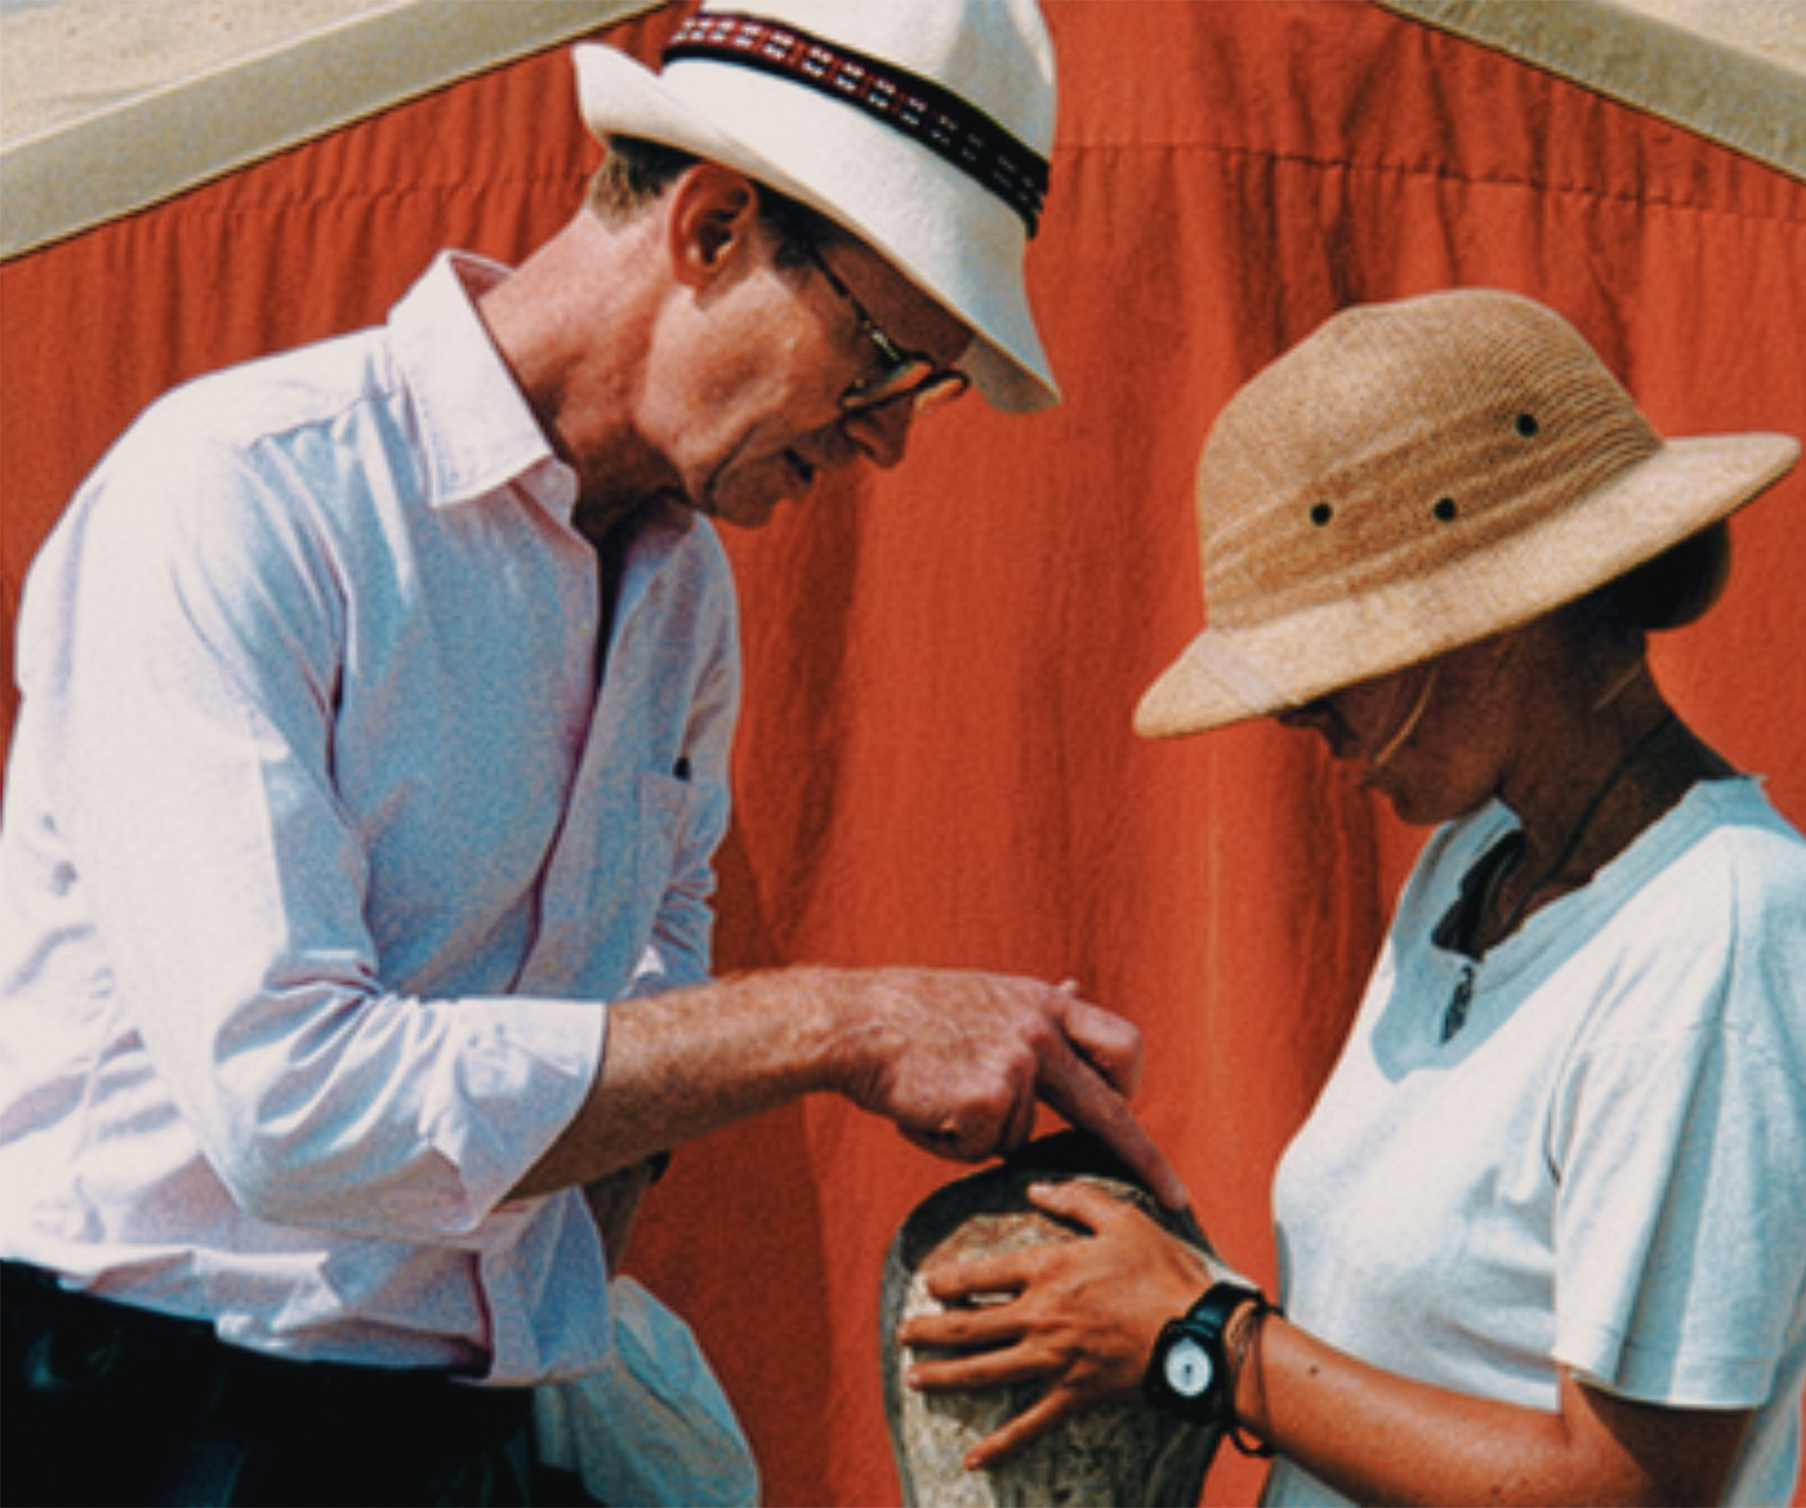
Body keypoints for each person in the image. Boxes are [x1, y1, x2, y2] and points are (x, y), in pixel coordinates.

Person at [0, 2, 1184, 1502]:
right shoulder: (244, 496)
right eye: (885, 356)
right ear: (712, 226)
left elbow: (643, 1024)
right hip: (136, 1420)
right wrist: (846, 1022)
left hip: (449, 1441)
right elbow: (289, 1105)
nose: (885, 438)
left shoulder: (681, 598)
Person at [897, 289, 1806, 1506]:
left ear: (1489, 616)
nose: (1291, 713)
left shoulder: (1727, 930)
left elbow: (1627, 1488)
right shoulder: (1472, 867)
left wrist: (1201, 1335)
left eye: (1327, 664)